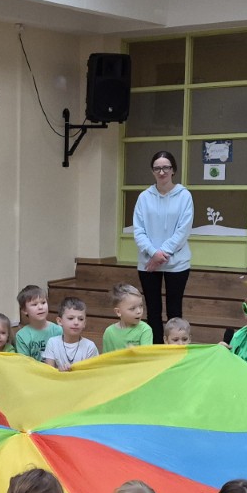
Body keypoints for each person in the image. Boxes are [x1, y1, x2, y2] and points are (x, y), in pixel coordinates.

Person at [132, 150, 194, 344]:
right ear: (152, 171)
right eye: (157, 168)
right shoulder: (144, 197)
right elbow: (138, 230)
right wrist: (153, 253)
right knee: (153, 310)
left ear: (173, 169)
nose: (161, 172)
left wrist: (162, 254)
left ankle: (175, 348)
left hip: (177, 263)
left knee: (174, 311)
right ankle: (157, 348)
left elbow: (183, 230)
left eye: (166, 167)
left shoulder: (184, 196)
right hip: (148, 263)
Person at [42, 297, 98, 371]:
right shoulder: (52, 343)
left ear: (84, 323)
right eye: (70, 318)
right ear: (59, 321)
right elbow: (49, 372)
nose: (76, 322)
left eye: (80, 319)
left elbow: (92, 373)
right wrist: (59, 371)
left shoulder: (89, 347)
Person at [12, 285, 62, 362]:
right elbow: (24, 362)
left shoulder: (58, 330)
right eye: (34, 304)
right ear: (25, 310)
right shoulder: (21, 336)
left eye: (43, 303)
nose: (40, 307)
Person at [102, 284, 152, 353]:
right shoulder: (109, 332)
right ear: (118, 312)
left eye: (141, 306)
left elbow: (147, 356)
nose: (139, 311)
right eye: (132, 308)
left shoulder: (145, 329)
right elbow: (106, 357)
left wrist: (135, 352)